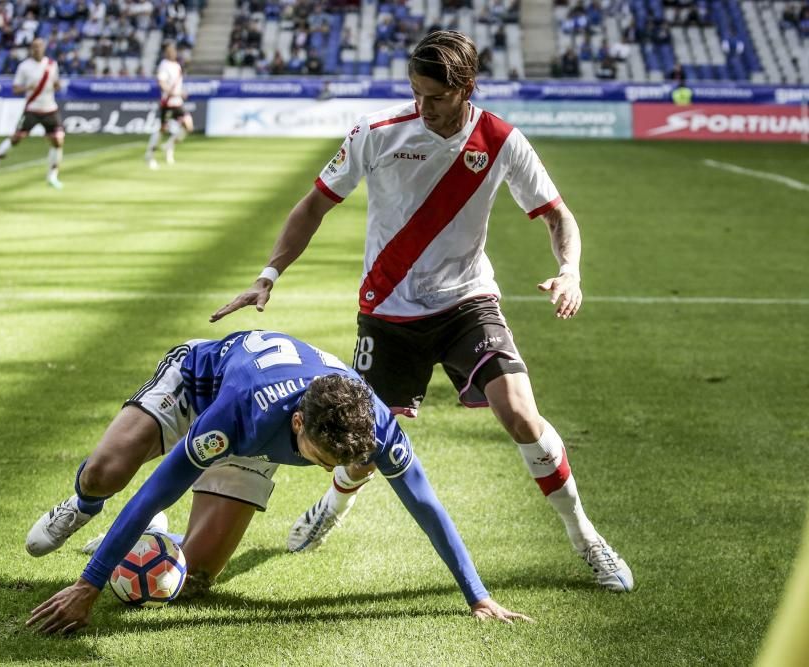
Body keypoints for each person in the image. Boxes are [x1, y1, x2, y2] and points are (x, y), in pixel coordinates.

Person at [211, 30, 633, 593]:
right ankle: (333, 507)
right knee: (361, 447)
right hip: (387, 312)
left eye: (434, 97)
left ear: (466, 88)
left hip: (467, 303)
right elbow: (315, 202)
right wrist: (269, 274)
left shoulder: (501, 140)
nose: (423, 106)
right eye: (415, 93)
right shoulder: (377, 132)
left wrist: (570, 272)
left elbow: (558, 217)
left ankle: (586, 539)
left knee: (522, 417)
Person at [24, 330, 532, 634]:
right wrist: (87, 585)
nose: (320, 465)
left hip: (255, 440)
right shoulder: (242, 411)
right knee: (106, 473)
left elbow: (427, 506)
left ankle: (154, 536)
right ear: (298, 427)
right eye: (318, 456)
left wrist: (478, 596)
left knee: (193, 580)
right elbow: (163, 483)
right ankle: (83, 506)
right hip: (200, 387)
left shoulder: (373, 424)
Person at [0, 37, 65, 189]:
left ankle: (52, 176)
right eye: (34, 47)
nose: (37, 49)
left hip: (50, 109)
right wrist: (28, 88)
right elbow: (15, 89)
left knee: (58, 141)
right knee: (16, 138)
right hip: (32, 109)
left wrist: (57, 85)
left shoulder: (52, 65)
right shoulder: (24, 66)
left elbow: (56, 84)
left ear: (44, 48)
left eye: (39, 47)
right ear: (31, 49)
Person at [143, 42, 192, 170]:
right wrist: (176, 93)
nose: (173, 53)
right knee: (162, 129)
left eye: (174, 50)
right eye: (170, 51)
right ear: (166, 53)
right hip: (169, 102)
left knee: (188, 126)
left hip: (178, 102)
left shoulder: (177, 65)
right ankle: (150, 155)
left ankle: (168, 146)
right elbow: (162, 83)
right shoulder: (164, 65)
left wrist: (180, 93)